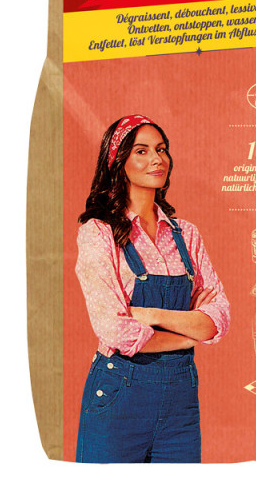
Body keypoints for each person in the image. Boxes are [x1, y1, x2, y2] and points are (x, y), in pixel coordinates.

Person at [74, 114, 230, 463]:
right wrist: (188, 335)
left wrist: (151, 315)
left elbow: (218, 318)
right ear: (119, 162)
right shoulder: (99, 233)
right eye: (141, 151)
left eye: (161, 149)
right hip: (118, 397)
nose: (156, 159)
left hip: (180, 404)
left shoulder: (186, 235)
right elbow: (115, 330)